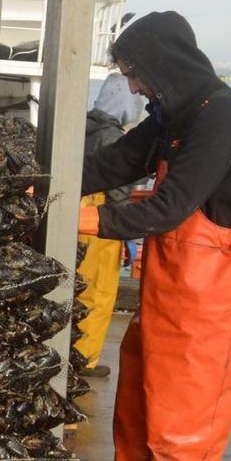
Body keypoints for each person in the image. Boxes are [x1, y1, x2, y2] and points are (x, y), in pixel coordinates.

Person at [78, 11, 231, 461]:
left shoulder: (222, 116)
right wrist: (40, 188)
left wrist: (82, 220)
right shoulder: (170, 115)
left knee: (181, 441)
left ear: (162, 66)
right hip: (165, 300)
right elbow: (111, 164)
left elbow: (169, 208)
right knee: (137, 423)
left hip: (210, 310)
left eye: (135, 75)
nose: (134, 88)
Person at [75, 73, 144, 378]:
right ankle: (84, 359)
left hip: (77, 213)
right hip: (101, 217)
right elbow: (118, 187)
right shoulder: (113, 136)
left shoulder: (82, 126)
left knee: (76, 287)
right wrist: (126, 232)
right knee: (98, 291)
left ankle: (67, 350)